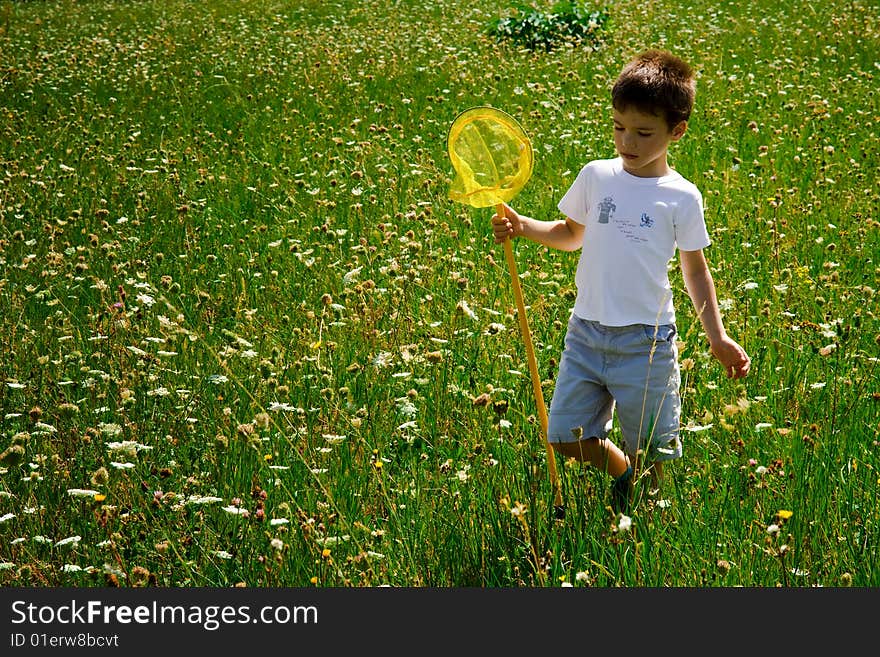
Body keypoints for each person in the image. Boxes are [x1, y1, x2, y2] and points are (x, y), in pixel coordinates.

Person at [492, 50, 750, 512]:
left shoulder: (682, 197)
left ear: (677, 131)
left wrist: (718, 337)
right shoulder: (597, 176)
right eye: (618, 127)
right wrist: (523, 226)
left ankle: (639, 520)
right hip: (587, 332)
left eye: (642, 132)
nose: (626, 141)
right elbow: (571, 235)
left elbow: (695, 270)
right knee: (564, 434)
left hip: (646, 343)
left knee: (651, 446)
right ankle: (622, 473)